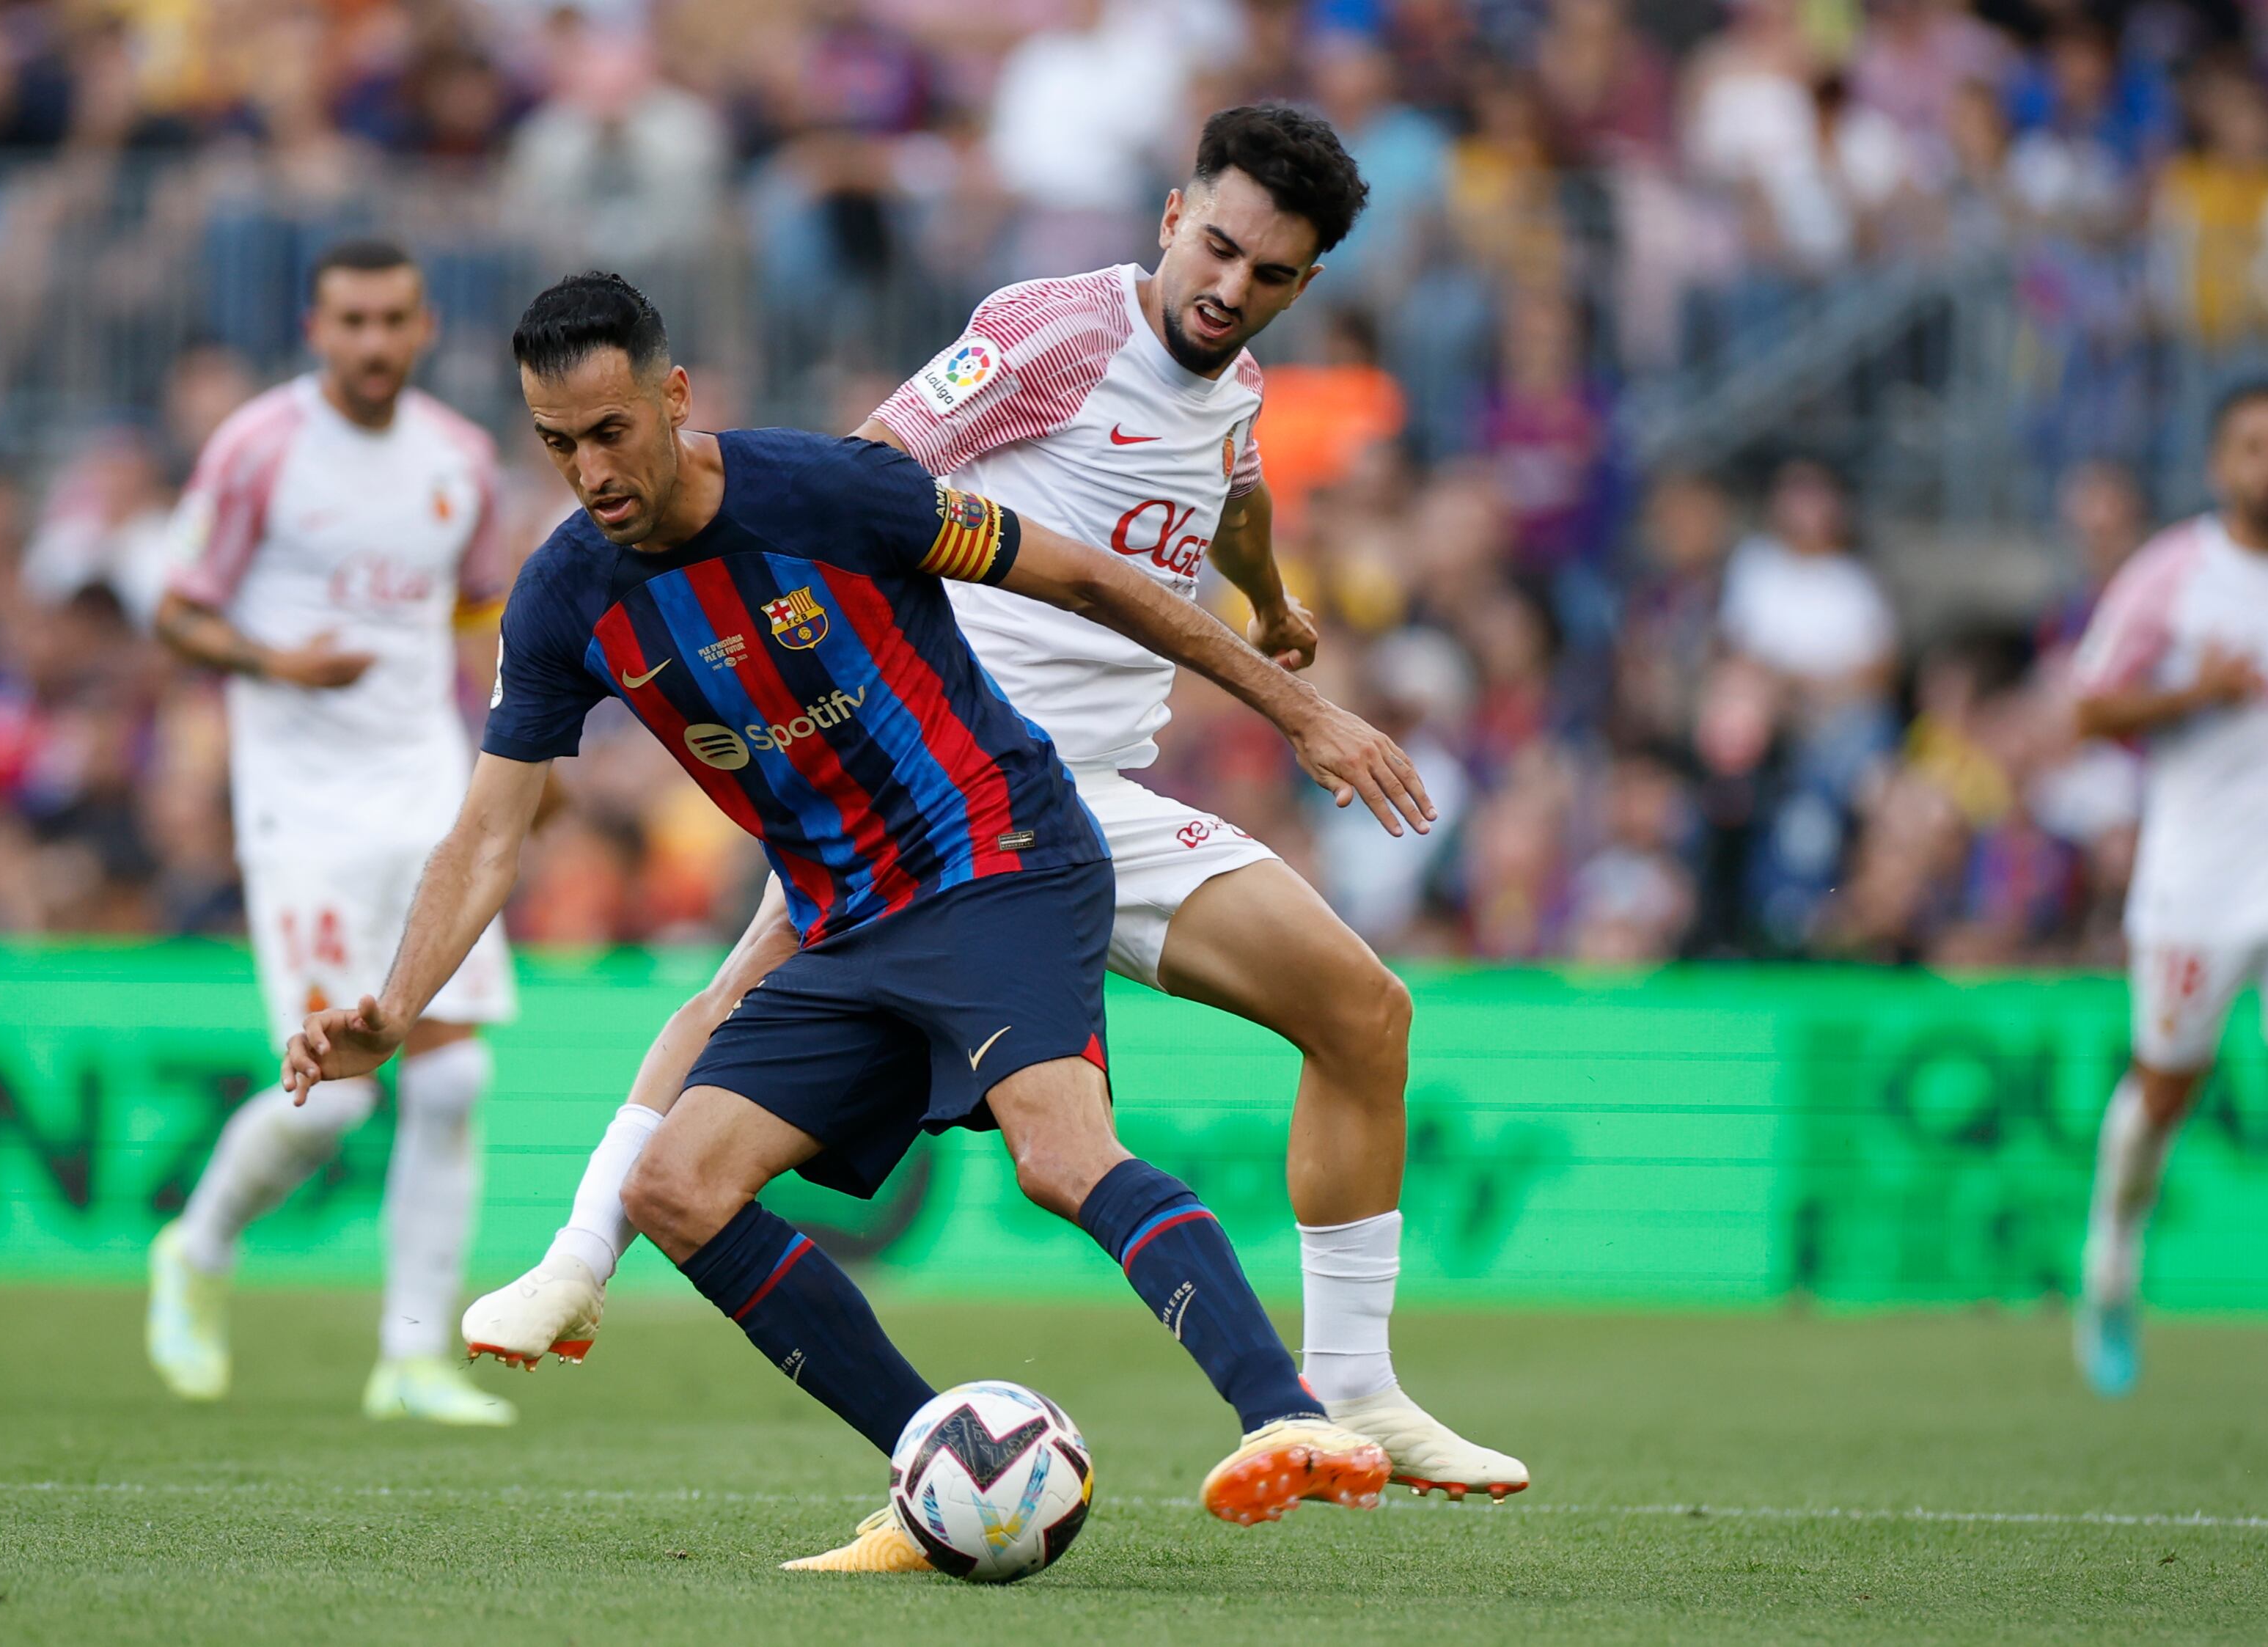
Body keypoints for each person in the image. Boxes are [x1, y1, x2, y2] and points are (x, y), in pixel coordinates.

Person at [463, 102, 1530, 1506]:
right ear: (1169, 216)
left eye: (1266, 273)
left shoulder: (1239, 383)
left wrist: (1272, 604)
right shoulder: (1049, 332)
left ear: (1301, 283)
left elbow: (1233, 493)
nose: (1227, 287)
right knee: (734, 1007)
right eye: (1214, 248)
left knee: (1362, 1013)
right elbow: (857, 469)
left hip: (1094, 805)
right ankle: (578, 1257)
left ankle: (1354, 1391)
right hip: (940, 777)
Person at [283, 272, 1437, 1567]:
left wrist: (1299, 712)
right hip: (850, 921)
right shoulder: (564, 599)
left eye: (611, 431)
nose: (590, 470)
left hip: (998, 853)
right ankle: (935, 1463)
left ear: (674, 397)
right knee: (677, 1186)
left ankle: (1287, 1417)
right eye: (557, 444)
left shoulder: (827, 491)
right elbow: (489, 829)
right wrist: (395, 1006)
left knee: (1060, 1155)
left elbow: (1084, 580)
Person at [143, 238, 519, 1426]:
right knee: (342, 1093)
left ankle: (411, 1357)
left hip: (423, 802)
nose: (371, 342)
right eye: (350, 320)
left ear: (422, 330)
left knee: (454, 1076)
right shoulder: (259, 448)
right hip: (302, 813)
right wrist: (277, 662)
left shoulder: (460, 462)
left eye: (392, 320)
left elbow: (473, 616)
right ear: (316, 327)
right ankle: (196, 1253)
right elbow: (174, 608)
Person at [2069, 381, 2268, 1399]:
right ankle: (2109, 1267)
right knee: (2164, 1088)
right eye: (2253, 447)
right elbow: (2087, 708)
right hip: (2197, 883)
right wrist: (2194, 693)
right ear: (2218, 467)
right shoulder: (2171, 575)